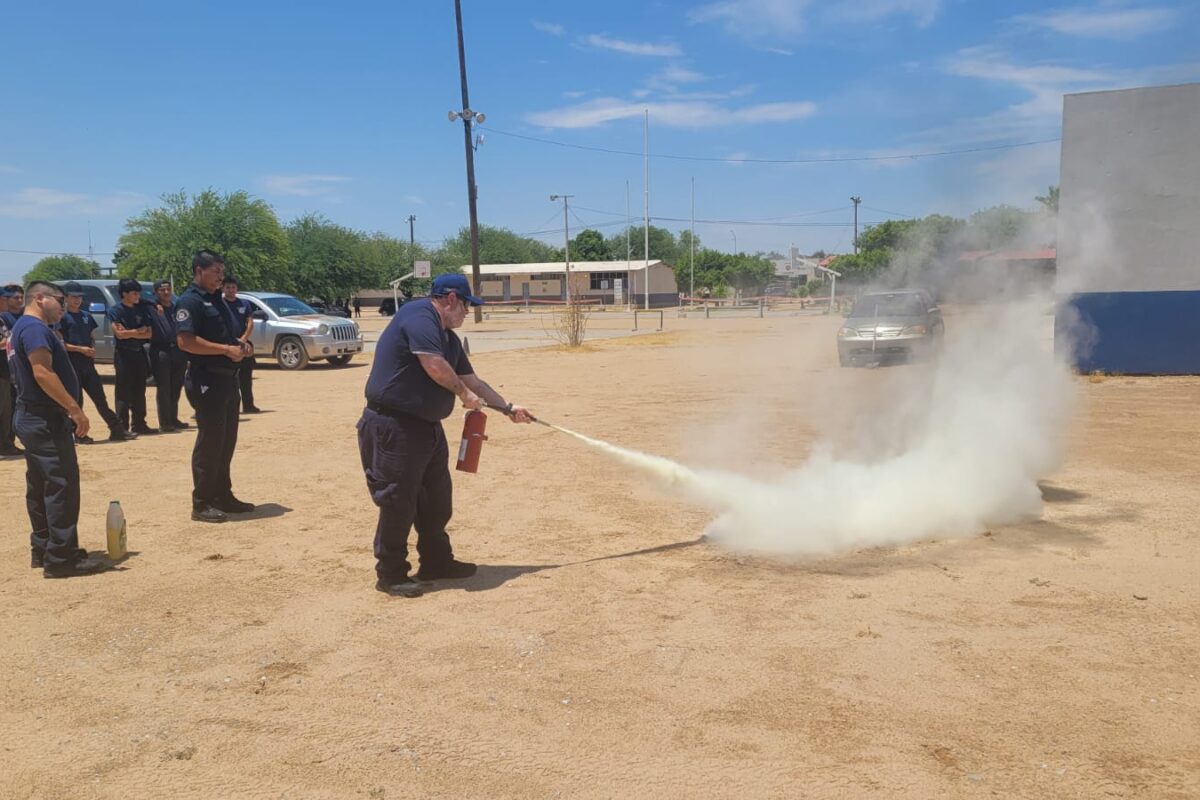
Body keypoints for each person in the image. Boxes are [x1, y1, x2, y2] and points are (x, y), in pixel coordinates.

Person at [358, 273, 533, 597]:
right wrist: (464, 395)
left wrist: (508, 408)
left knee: (436, 499)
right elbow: (433, 364)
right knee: (398, 501)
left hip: (426, 427)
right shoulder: (418, 314)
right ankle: (391, 573)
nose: (467, 312)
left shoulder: (448, 338)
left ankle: (437, 561)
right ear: (451, 298)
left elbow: (474, 381)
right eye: (466, 305)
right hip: (394, 426)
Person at [9, 281, 109, 577]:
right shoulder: (36, 329)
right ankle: (61, 557)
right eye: (60, 301)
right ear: (40, 298)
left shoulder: (21, 328)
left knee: (40, 486)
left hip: (31, 416)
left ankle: (44, 548)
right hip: (45, 419)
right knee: (61, 485)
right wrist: (74, 409)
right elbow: (42, 371)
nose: (64, 307)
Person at [176, 250, 255, 523]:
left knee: (226, 442)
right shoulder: (190, 301)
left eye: (222, 272)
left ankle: (223, 495)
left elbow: (224, 335)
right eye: (215, 272)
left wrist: (239, 344)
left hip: (227, 379)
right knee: (210, 443)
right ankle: (202, 502)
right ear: (199, 271)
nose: (221, 277)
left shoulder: (216, 300)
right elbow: (186, 342)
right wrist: (225, 349)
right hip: (206, 379)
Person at [58, 282, 133, 443]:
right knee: (77, 402)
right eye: (73, 297)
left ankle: (117, 429)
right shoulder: (61, 318)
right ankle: (80, 435)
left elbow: (90, 336)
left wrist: (90, 348)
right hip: (72, 365)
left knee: (100, 399)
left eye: (79, 297)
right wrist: (81, 349)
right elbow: (60, 343)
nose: (77, 300)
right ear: (65, 298)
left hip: (88, 365)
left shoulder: (86, 316)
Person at [107, 278, 157, 435]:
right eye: (134, 293)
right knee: (123, 390)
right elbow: (120, 335)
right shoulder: (116, 310)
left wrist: (132, 333)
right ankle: (122, 426)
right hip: (123, 353)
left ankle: (139, 423)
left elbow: (149, 333)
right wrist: (137, 331)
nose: (137, 296)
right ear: (124, 294)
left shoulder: (140, 310)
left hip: (139, 352)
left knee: (139, 389)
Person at [149, 279, 190, 432]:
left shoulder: (175, 308)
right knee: (164, 387)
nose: (166, 292)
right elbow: (141, 302)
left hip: (178, 351)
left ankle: (173, 418)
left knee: (176, 386)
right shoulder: (152, 308)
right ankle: (165, 423)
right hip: (161, 351)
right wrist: (153, 304)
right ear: (156, 292)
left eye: (168, 289)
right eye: (162, 290)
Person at [221, 276, 260, 414]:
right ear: (223, 288)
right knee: (225, 378)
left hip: (243, 343)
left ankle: (248, 405)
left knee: (246, 376)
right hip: (227, 344)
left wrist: (243, 339)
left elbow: (250, 323)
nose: (231, 290)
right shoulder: (220, 303)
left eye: (233, 287)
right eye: (228, 287)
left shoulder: (244, 304)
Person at [0, 286, 23, 456]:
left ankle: (5, 445)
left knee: (7, 411)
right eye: (5, 298)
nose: (8, 302)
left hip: (5, 371)